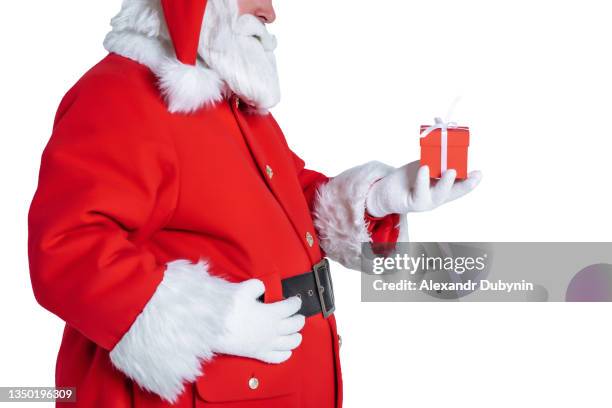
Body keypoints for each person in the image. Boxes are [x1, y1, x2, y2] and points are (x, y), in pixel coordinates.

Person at [28, 0, 482, 407]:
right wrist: (206, 324)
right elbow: (67, 247)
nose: (269, 12)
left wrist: (378, 199)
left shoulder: (232, 104)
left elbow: (287, 203)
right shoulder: (119, 95)